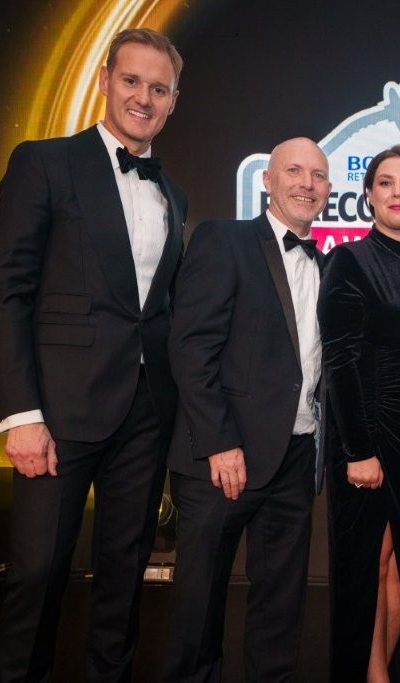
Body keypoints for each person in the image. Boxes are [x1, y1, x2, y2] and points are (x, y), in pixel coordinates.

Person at [0, 28, 185, 681]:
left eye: (159, 88)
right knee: (38, 573)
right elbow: (8, 292)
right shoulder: (44, 162)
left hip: (144, 414)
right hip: (58, 413)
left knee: (124, 576)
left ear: (173, 101)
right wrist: (21, 414)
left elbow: (156, 308)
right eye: (132, 81)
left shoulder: (172, 193)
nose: (143, 97)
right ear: (104, 81)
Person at [161, 138, 330, 682]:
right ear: (267, 180)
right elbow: (191, 347)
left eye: (318, 175)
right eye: (294, 171)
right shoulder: (224, 240)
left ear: (329, 189)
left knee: (281, 605)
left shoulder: (326, 265)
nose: (306, 183)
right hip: (224, 457)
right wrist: (218, 442)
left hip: (296, 455)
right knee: (199, 602)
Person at [319, 145, 400, 681]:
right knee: (367, 565)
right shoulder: (349, 260)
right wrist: (359, 450)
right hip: (371, 433)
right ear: (367, 195)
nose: (398, 193)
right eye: (386, 183)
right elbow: (339, 361)